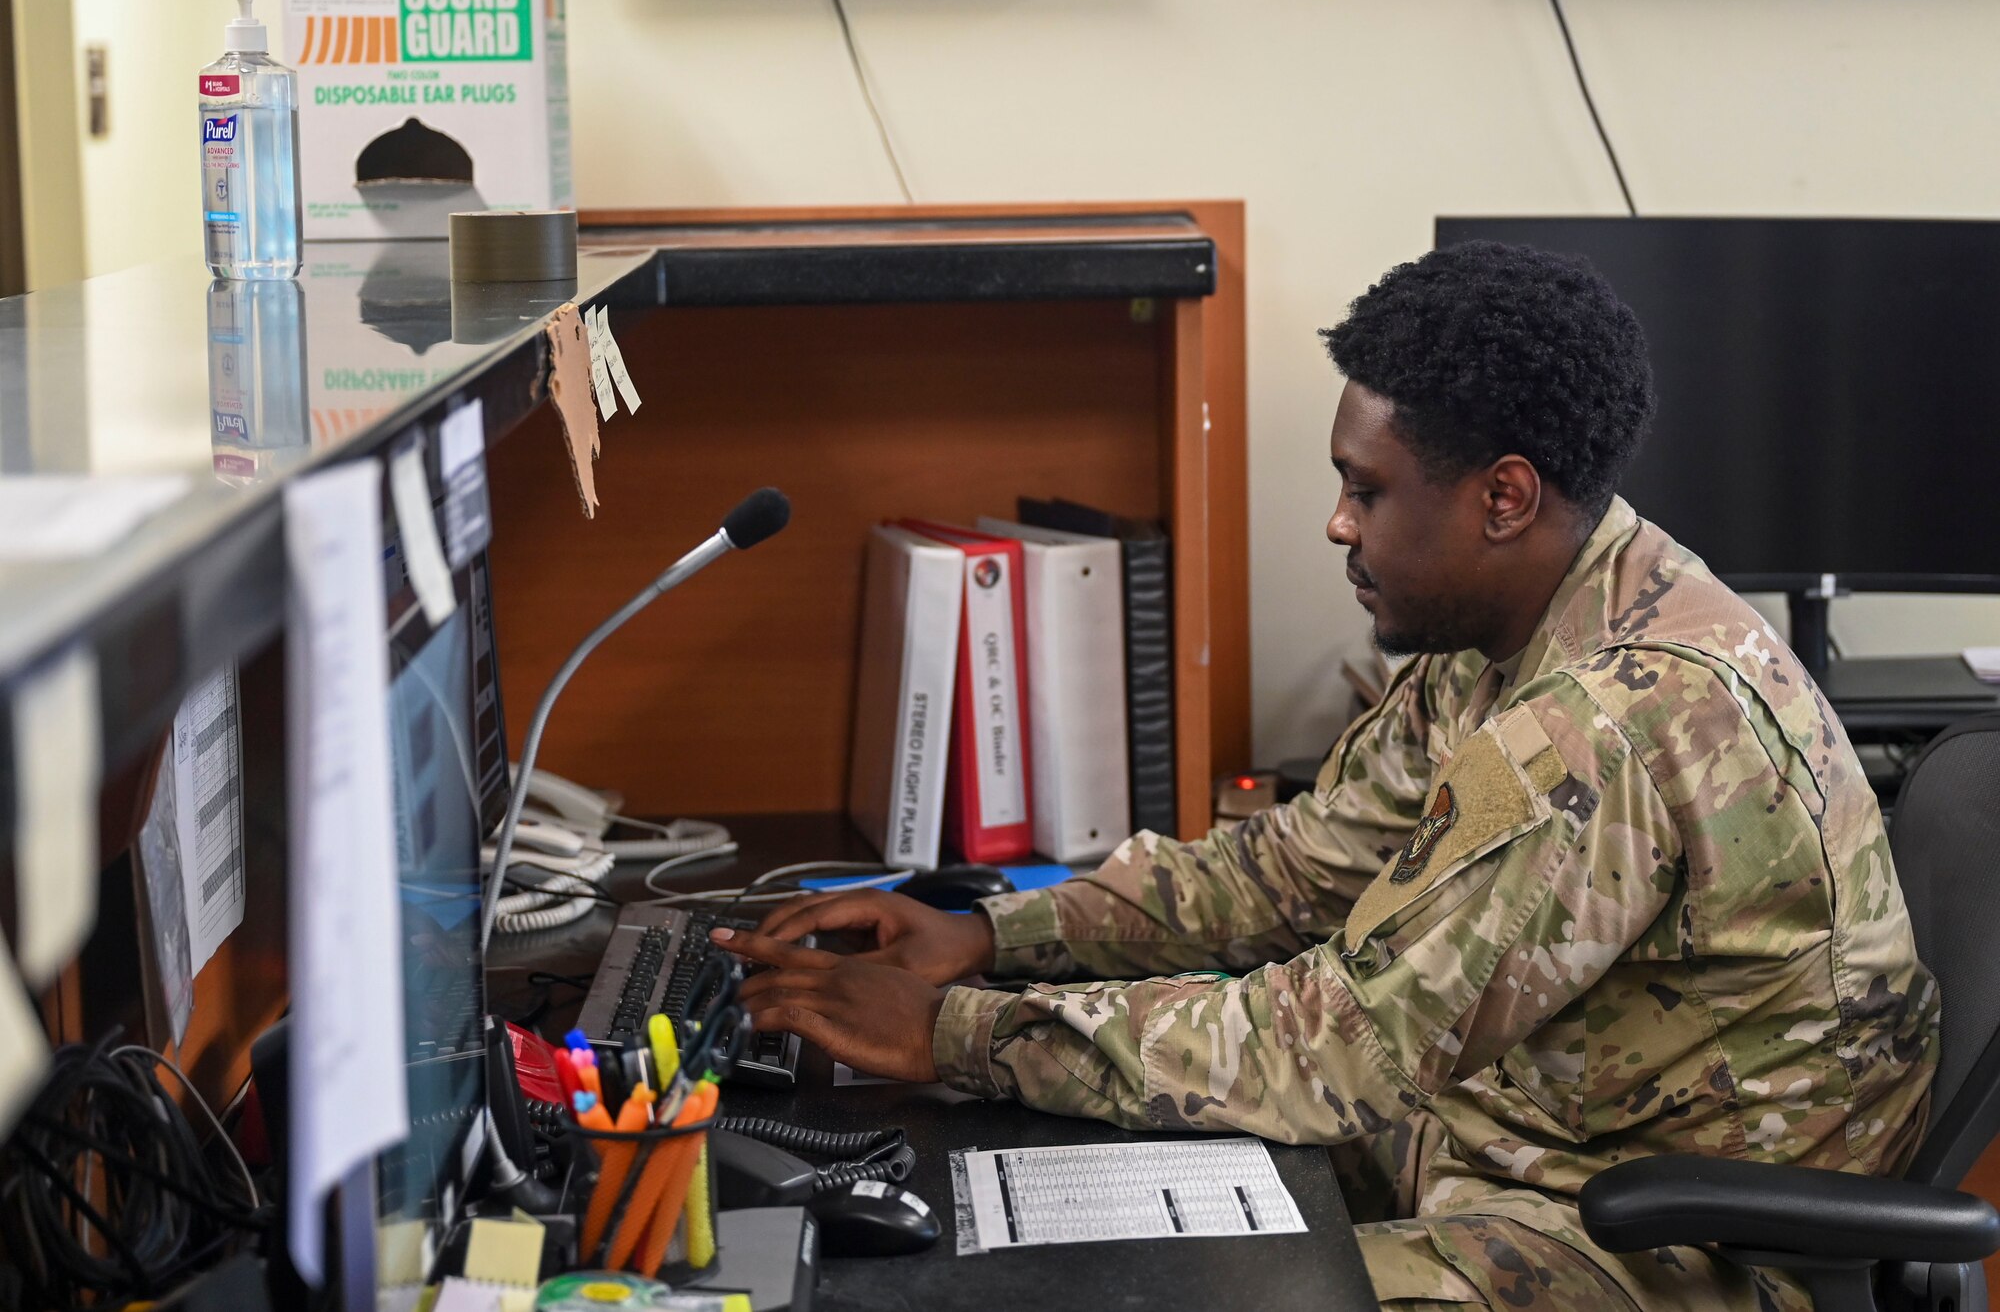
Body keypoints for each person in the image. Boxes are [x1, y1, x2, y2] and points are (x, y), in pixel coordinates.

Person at [712, 241, 1939, 1311]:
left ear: (1501, 496)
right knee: (1022, 1199)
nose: (1336, 524)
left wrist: (955, 1036)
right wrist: (989, 938)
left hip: (1669, 1242)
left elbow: (1338, 1046)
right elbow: (1291, 870)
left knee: (1166, 1286)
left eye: (1367, 489)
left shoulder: (1600, 725)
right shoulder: (1529, 617)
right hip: (1518, 1138)